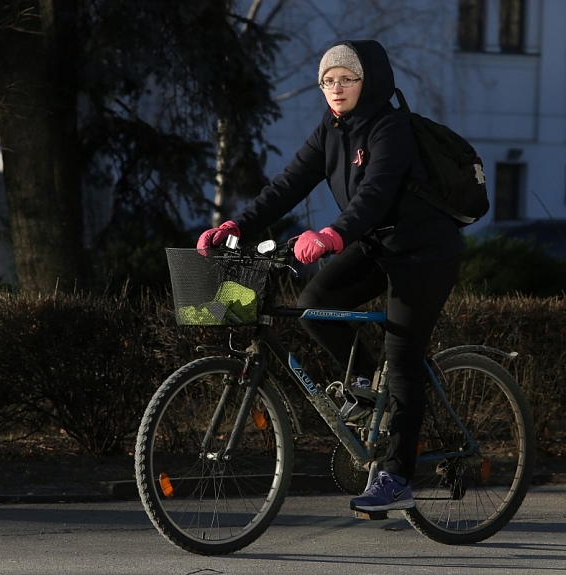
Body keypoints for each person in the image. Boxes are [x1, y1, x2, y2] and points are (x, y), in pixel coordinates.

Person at [197, 40, 463, 513]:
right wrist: (238, 224)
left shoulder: (390, 128)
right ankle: (365, 388)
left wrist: (332, 235)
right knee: (312, 304)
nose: (335, 88)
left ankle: (397, 478)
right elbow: (288, 183)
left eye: (347, 78)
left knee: (401, 359)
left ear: (370, 82)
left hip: (423, 253)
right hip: (377, 244)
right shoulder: (331, 129)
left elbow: (375, 195)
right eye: (327, 81)